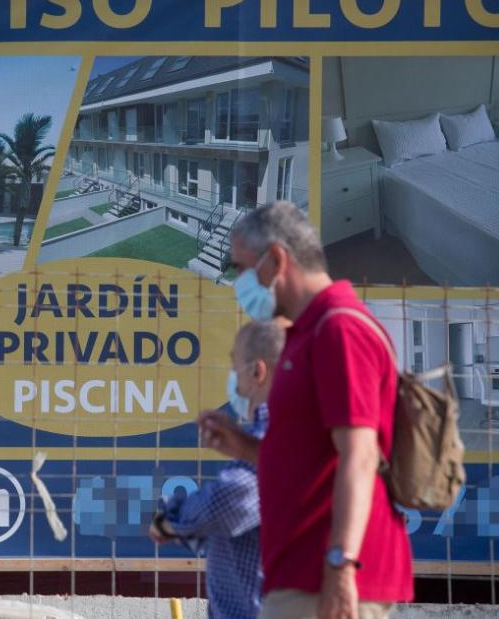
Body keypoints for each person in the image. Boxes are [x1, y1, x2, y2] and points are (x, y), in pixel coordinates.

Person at [200, 201, 413, 619]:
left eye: (242, 269)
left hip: (326, 581)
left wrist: (341, 565)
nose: (239, 282)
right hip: (301, 577)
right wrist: (244, 447)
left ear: (277, 259)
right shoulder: (306, 334)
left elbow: (360, 455)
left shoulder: (339, 329)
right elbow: (313, 462)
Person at [150, 320, 285, 619]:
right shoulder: (269, 434)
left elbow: (230, 502)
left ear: (256, 372)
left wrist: (172, 521)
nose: (234, 379)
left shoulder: (279, 434)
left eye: (235, 366)